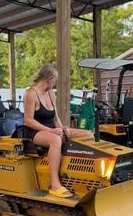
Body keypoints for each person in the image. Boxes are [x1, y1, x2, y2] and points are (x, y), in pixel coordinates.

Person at [23, 64, 94, 198]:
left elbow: (56, 117)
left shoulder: (50, 94)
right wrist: (52, 131)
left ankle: (83, 176)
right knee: (56, 140)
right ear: (49, 79)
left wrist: (63, 129)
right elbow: (28, 120)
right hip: (34, 131)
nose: (54, 84)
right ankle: (55, 185)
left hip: (52, 129)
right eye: (54, 81)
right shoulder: (31, 94)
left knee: (88, 134)